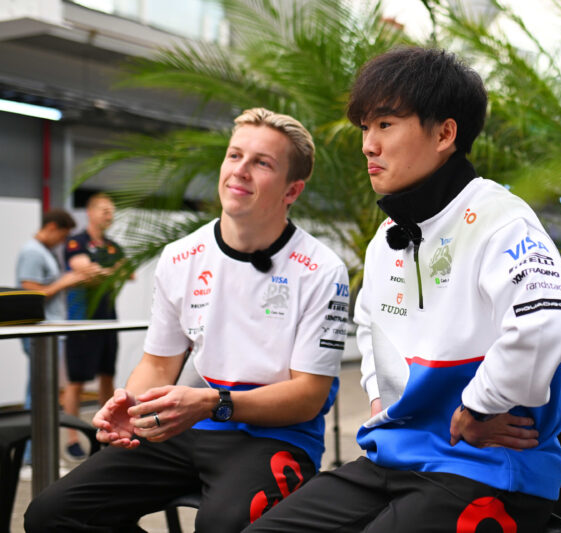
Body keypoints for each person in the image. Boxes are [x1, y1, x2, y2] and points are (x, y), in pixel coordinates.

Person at [245, 47, 561, 533]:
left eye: (386, 124)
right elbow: (370, 329)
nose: (368, 144)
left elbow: (551, 322)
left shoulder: (499, 218)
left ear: (445, 133)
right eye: (365, 128)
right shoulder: (386, 238)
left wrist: (478, 406)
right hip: (394, 457)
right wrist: (379, 400)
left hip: (485, 466)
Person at [25, 108, 350, 532]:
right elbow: (159, 363)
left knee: (225, 524)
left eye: (262, 163)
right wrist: (129, 405)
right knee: (52, 515)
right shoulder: (182, 256)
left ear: (293, 190)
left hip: (277, 436)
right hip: (186, 427)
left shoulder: (320, 268)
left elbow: (308, 395)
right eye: (235, 156)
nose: (241, 171)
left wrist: (213, 403)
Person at [15, 209, 98, 470]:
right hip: (39, 333)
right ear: (52, 227)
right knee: (38, 397)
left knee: (43, 395)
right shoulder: (32, 252)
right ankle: (30, 460)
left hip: (49, 331)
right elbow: (31, 293)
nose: (63, 242)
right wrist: (66, 281)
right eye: (62, 236)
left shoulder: (44, 251)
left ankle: (35, 458)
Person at [61, 192, 129, 460]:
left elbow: (128, 272)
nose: (108, 215)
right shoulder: (77, 241)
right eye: (103, 210)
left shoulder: (112, 245)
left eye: (111, 211)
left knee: (107, 376)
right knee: (76, 381)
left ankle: (108, 430)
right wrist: (109, 271)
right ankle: (72, 438)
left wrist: (98, 271)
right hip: (81, 321)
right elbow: (83, 270)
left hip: (108, 319)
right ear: (89, 212)